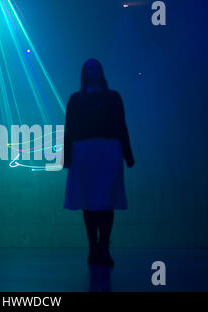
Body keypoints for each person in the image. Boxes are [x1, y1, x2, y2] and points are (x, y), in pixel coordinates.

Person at [63, 59, 135, 267]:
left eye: (96, 67)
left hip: (108, 151)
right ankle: (94, 248)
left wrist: (128, 155)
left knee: (106, 202)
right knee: (90, 202)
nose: (93, 70)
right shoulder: (76, 100)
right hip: (85, 152)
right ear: (84, 73)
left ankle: (103, 247)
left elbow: (122, 126)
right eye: (90, 67)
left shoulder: (113, 98)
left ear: (101, 72)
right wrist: (67, 158)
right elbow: (69, 129)